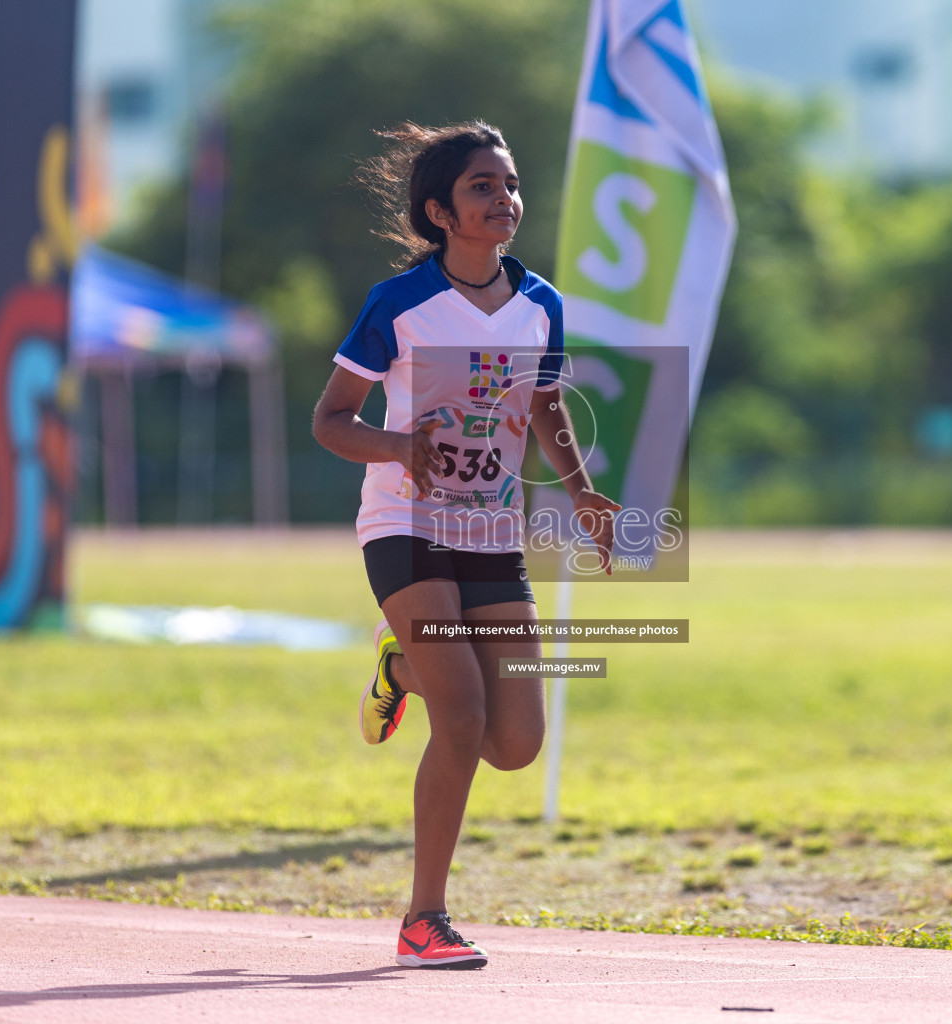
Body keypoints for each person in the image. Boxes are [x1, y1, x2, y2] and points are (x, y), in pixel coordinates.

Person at [311, 121, 619, 969]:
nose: (505, 199)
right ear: (441, 211)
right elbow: (330, 421)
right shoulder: (399, 304)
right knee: (464, 716)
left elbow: (546, 403)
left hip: (489, 528)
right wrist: (399, 446)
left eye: (511, 183)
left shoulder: (542, 305)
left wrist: (581, 491)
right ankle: (424, 919)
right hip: (405, 524)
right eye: (484, 187)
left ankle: (399, 668)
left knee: (515, 742)